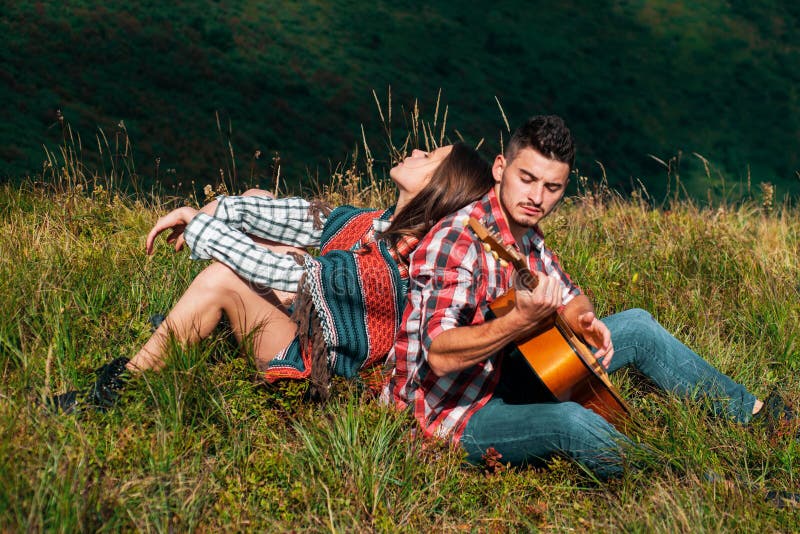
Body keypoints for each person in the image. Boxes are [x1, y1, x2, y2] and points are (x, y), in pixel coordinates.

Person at [382, 115, 797, 479]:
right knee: (570, 422)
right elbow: (439, 354)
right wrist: (517, 323)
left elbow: (570, 294)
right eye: (526, 179)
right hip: (447, 413)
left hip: (503, 373)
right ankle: (691, 479)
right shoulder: (459, 240)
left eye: (551, 187)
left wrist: (585, 324)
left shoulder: (523, 233)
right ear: (500, 168)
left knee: (636, 324)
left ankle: (755, 416)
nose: (536, 197)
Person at [51, 142, 494, 412]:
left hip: (323, 379)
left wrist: (200, 224)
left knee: (222, 278)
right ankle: (187, 330)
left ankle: (117, 392)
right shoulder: (378, 223)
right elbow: (304, 216)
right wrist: (224, 209)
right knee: (258, 201)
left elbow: (286, 272)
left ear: (439, 187)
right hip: (313, 328)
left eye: (429, 157)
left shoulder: (393, 270)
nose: (416, 152)